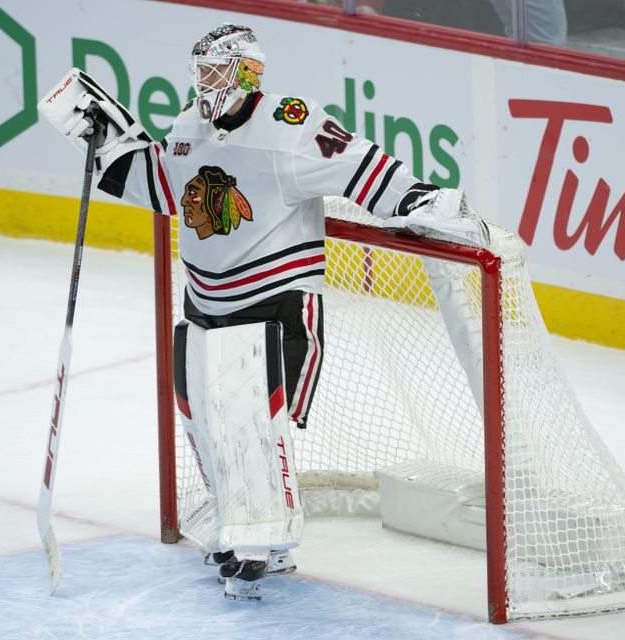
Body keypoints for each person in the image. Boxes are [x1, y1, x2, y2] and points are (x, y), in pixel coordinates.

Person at [38, 23, 487, 601]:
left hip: (276, 299)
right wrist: (104, 149)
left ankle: (263, 541)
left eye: (214, 71)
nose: (203, 83)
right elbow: (163, 184)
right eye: (199, 71)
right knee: (202, 416)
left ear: (247, 71)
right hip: (205, 299)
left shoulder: (292, 125)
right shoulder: (188, 125)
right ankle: (235, 523)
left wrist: (415, 198)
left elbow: (358, 164)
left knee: (248, 413)